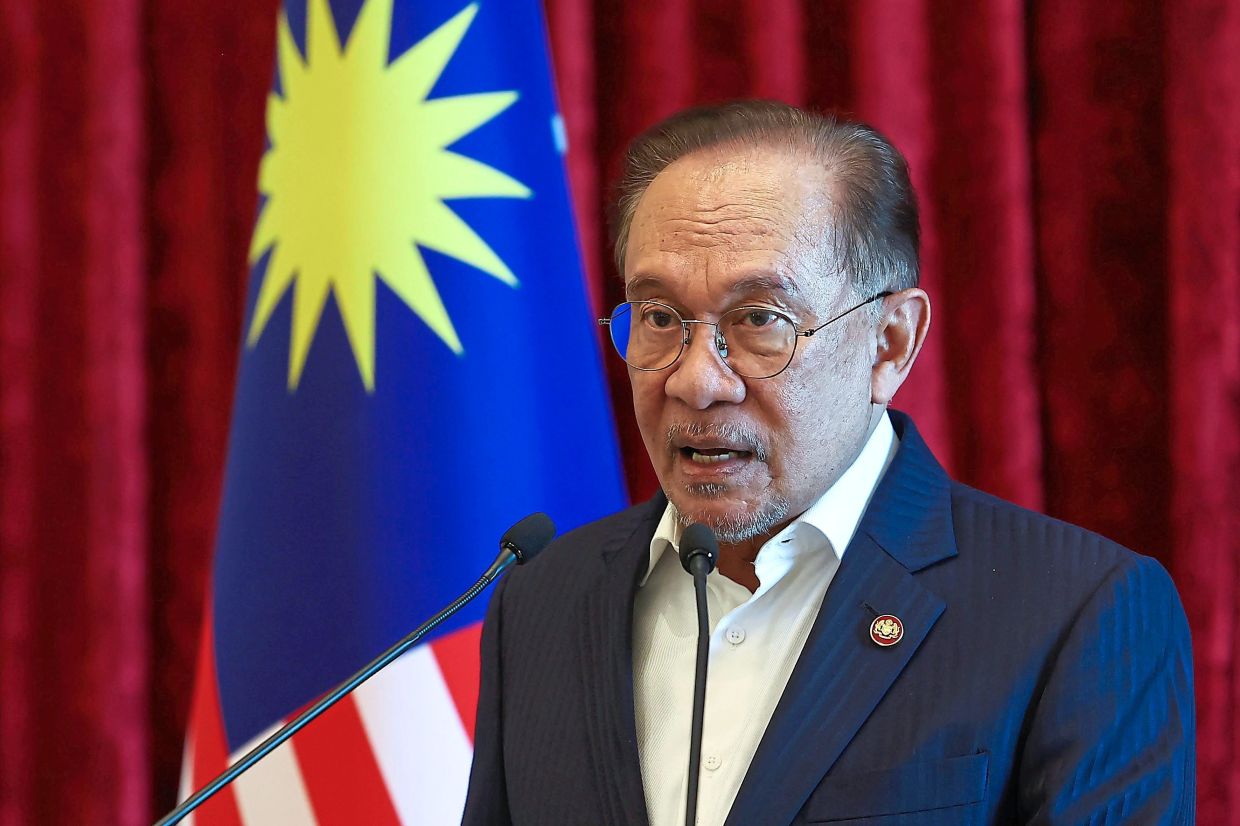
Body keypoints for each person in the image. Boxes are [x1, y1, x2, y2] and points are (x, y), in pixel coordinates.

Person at [462, 101, 1195, 825]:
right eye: (659, 317)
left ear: (890, 342)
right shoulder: (540, 600)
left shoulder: (1074, 613)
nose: (696, 381)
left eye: (759, 319)